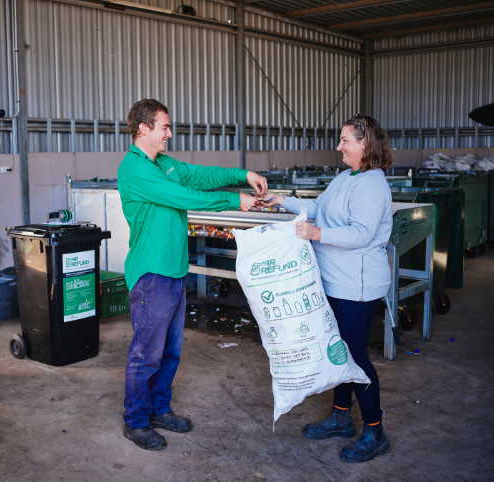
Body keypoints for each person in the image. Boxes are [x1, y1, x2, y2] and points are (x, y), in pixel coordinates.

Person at [118, 99, 267, 451]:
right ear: (144, 128)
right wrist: (235, 201)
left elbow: (201, 176)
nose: (170, 133)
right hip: (151, 275)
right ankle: (136, 420)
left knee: (170, 351)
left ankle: (159, 409)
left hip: (174, 271)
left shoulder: (165, 164)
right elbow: (182, 195)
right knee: (146, 354)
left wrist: (241, 175)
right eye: (164, 127)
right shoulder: (134, 169)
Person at [261, 114, 394, 463]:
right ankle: (340, 417)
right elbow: (320, 208)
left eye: (345, 140)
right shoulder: (347, 176)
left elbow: (361, 234)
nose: (339, 146)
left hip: (358, 286)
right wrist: (283, 201)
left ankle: (375, 431)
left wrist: (317, 234)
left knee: (354, 356)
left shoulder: (372, 184)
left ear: (365, 144)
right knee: (338, 351)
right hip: (335, 280)